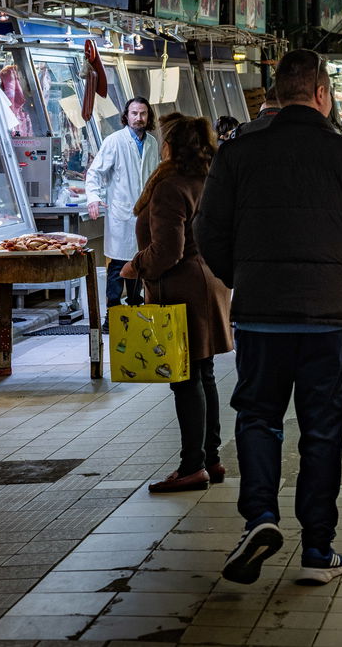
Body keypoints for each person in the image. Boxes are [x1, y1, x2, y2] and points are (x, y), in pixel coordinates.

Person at [195, 49, 342, 587]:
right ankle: (317, 548)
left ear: (276, 95)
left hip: (261, 318)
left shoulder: (237, 153)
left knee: (258, 416)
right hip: (329, 320)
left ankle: (260, 517)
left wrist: (245, 278)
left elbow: (207, 232)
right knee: (322, 429)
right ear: (322, 94)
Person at [121, 113, 232, 494]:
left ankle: (192, 466)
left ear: (170, 147)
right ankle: (210, 458)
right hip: (209, 282)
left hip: (184, 289)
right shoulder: (208, 178)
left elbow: (168, 250)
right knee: (203, 375)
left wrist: (135, 266)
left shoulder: (170, 187)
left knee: (186, 380)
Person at [86, 97, 160, 325]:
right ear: (126, 116)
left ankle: (135, 306)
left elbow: (154, 175)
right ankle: (113, 311)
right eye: (135, 113)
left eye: (143, 113)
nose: (139, 118)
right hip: (121, 213)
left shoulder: (152, 143)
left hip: (144, 214)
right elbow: (94, 173)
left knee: (139, 260)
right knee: (118, 263)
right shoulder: (114, 141)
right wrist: (94, 198)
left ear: (148, 116)